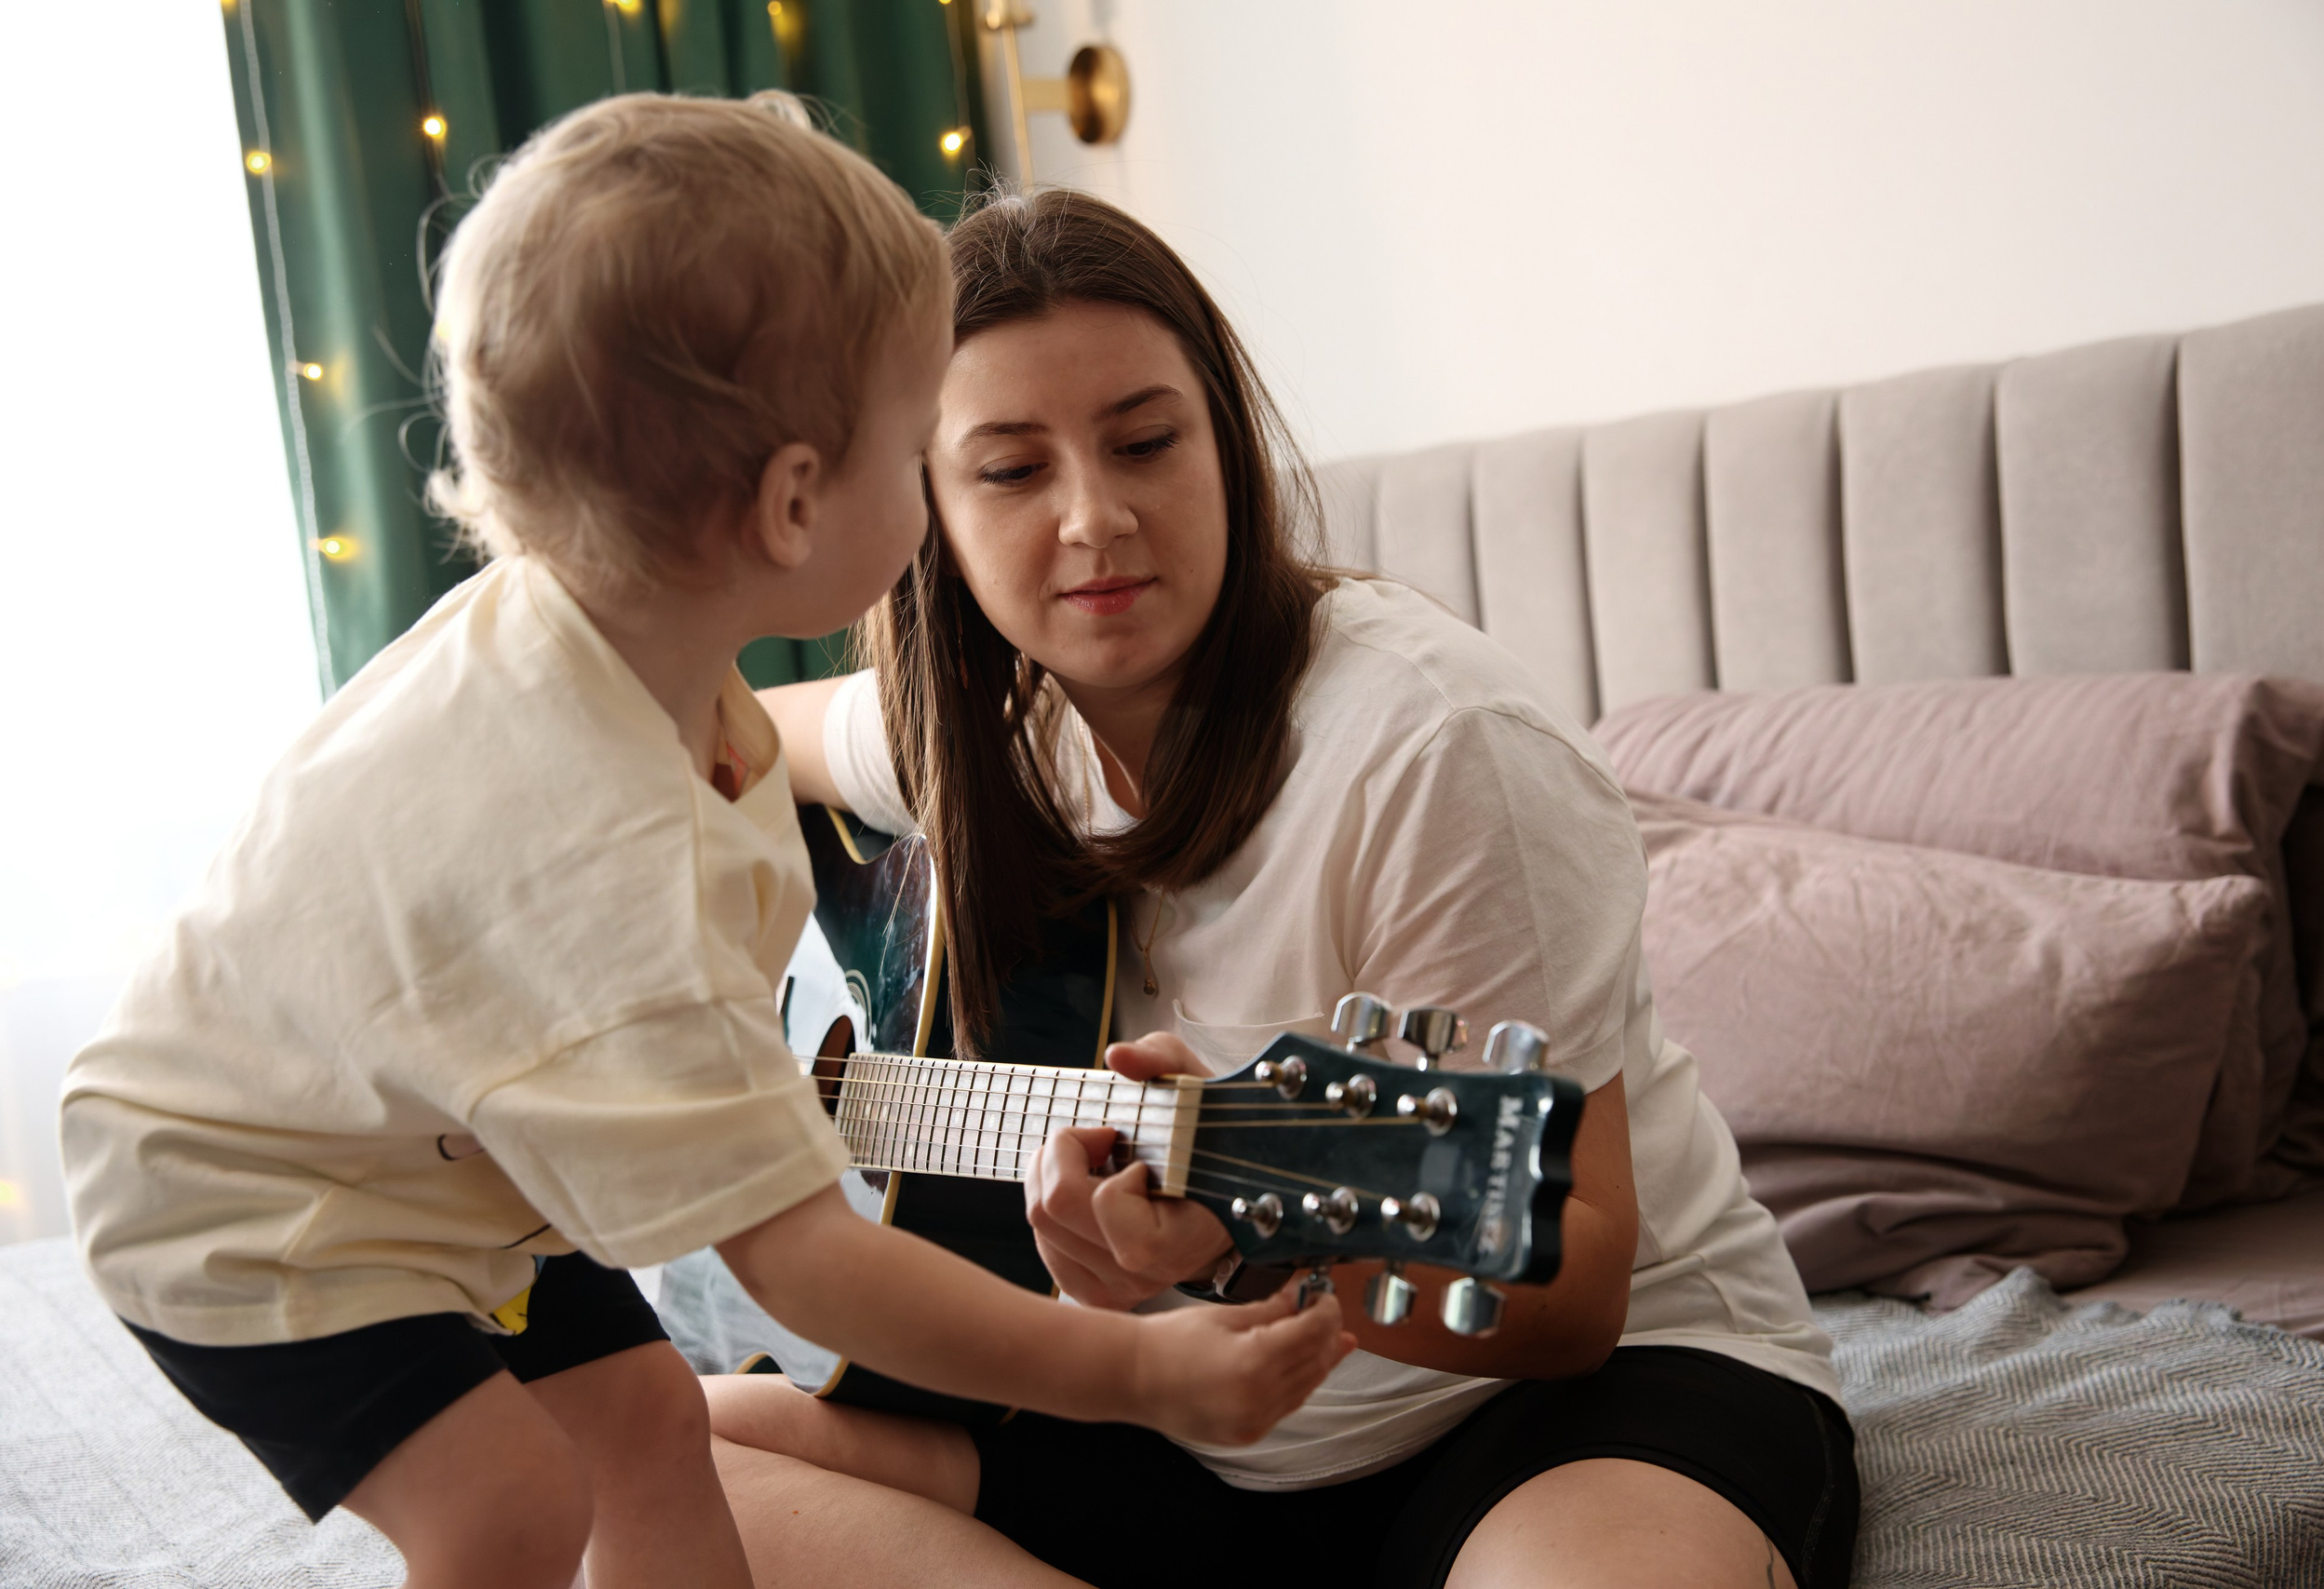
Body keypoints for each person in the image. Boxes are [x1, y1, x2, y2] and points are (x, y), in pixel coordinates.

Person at [58, 98, 1349, 1589]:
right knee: (508, 1508)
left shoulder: (601, 634)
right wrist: (1141, 1375)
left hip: (439, 1157)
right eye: (915, 444)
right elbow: (808, 1269)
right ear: (795, 503)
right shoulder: (593, 851)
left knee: (653, 1427)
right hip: (254, 1195)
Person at [718, 188, 1861, 1589]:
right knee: (657, 1447)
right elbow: (740, 735)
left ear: (1227, 447)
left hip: (1564, 1412)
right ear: (927, 513)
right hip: (1183, 1431)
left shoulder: (1434, 748)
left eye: (1146, 443)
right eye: (1010, 471)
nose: (1095, 518)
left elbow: (1572, 1292)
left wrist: (1242, 1245)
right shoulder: (984, 740)